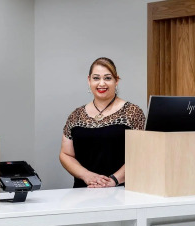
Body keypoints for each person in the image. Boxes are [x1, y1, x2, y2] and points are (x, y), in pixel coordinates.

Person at [60, 57, 146, 188]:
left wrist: (113, 180)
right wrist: (87, 176)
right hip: (83, 192)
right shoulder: (76, 116)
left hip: (122, 191)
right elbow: (66, 154)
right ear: (89, 80)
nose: (101, 83)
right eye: (96, 78)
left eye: (107, 78)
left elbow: (141, 153)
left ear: (116, 80)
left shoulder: (133, 112)